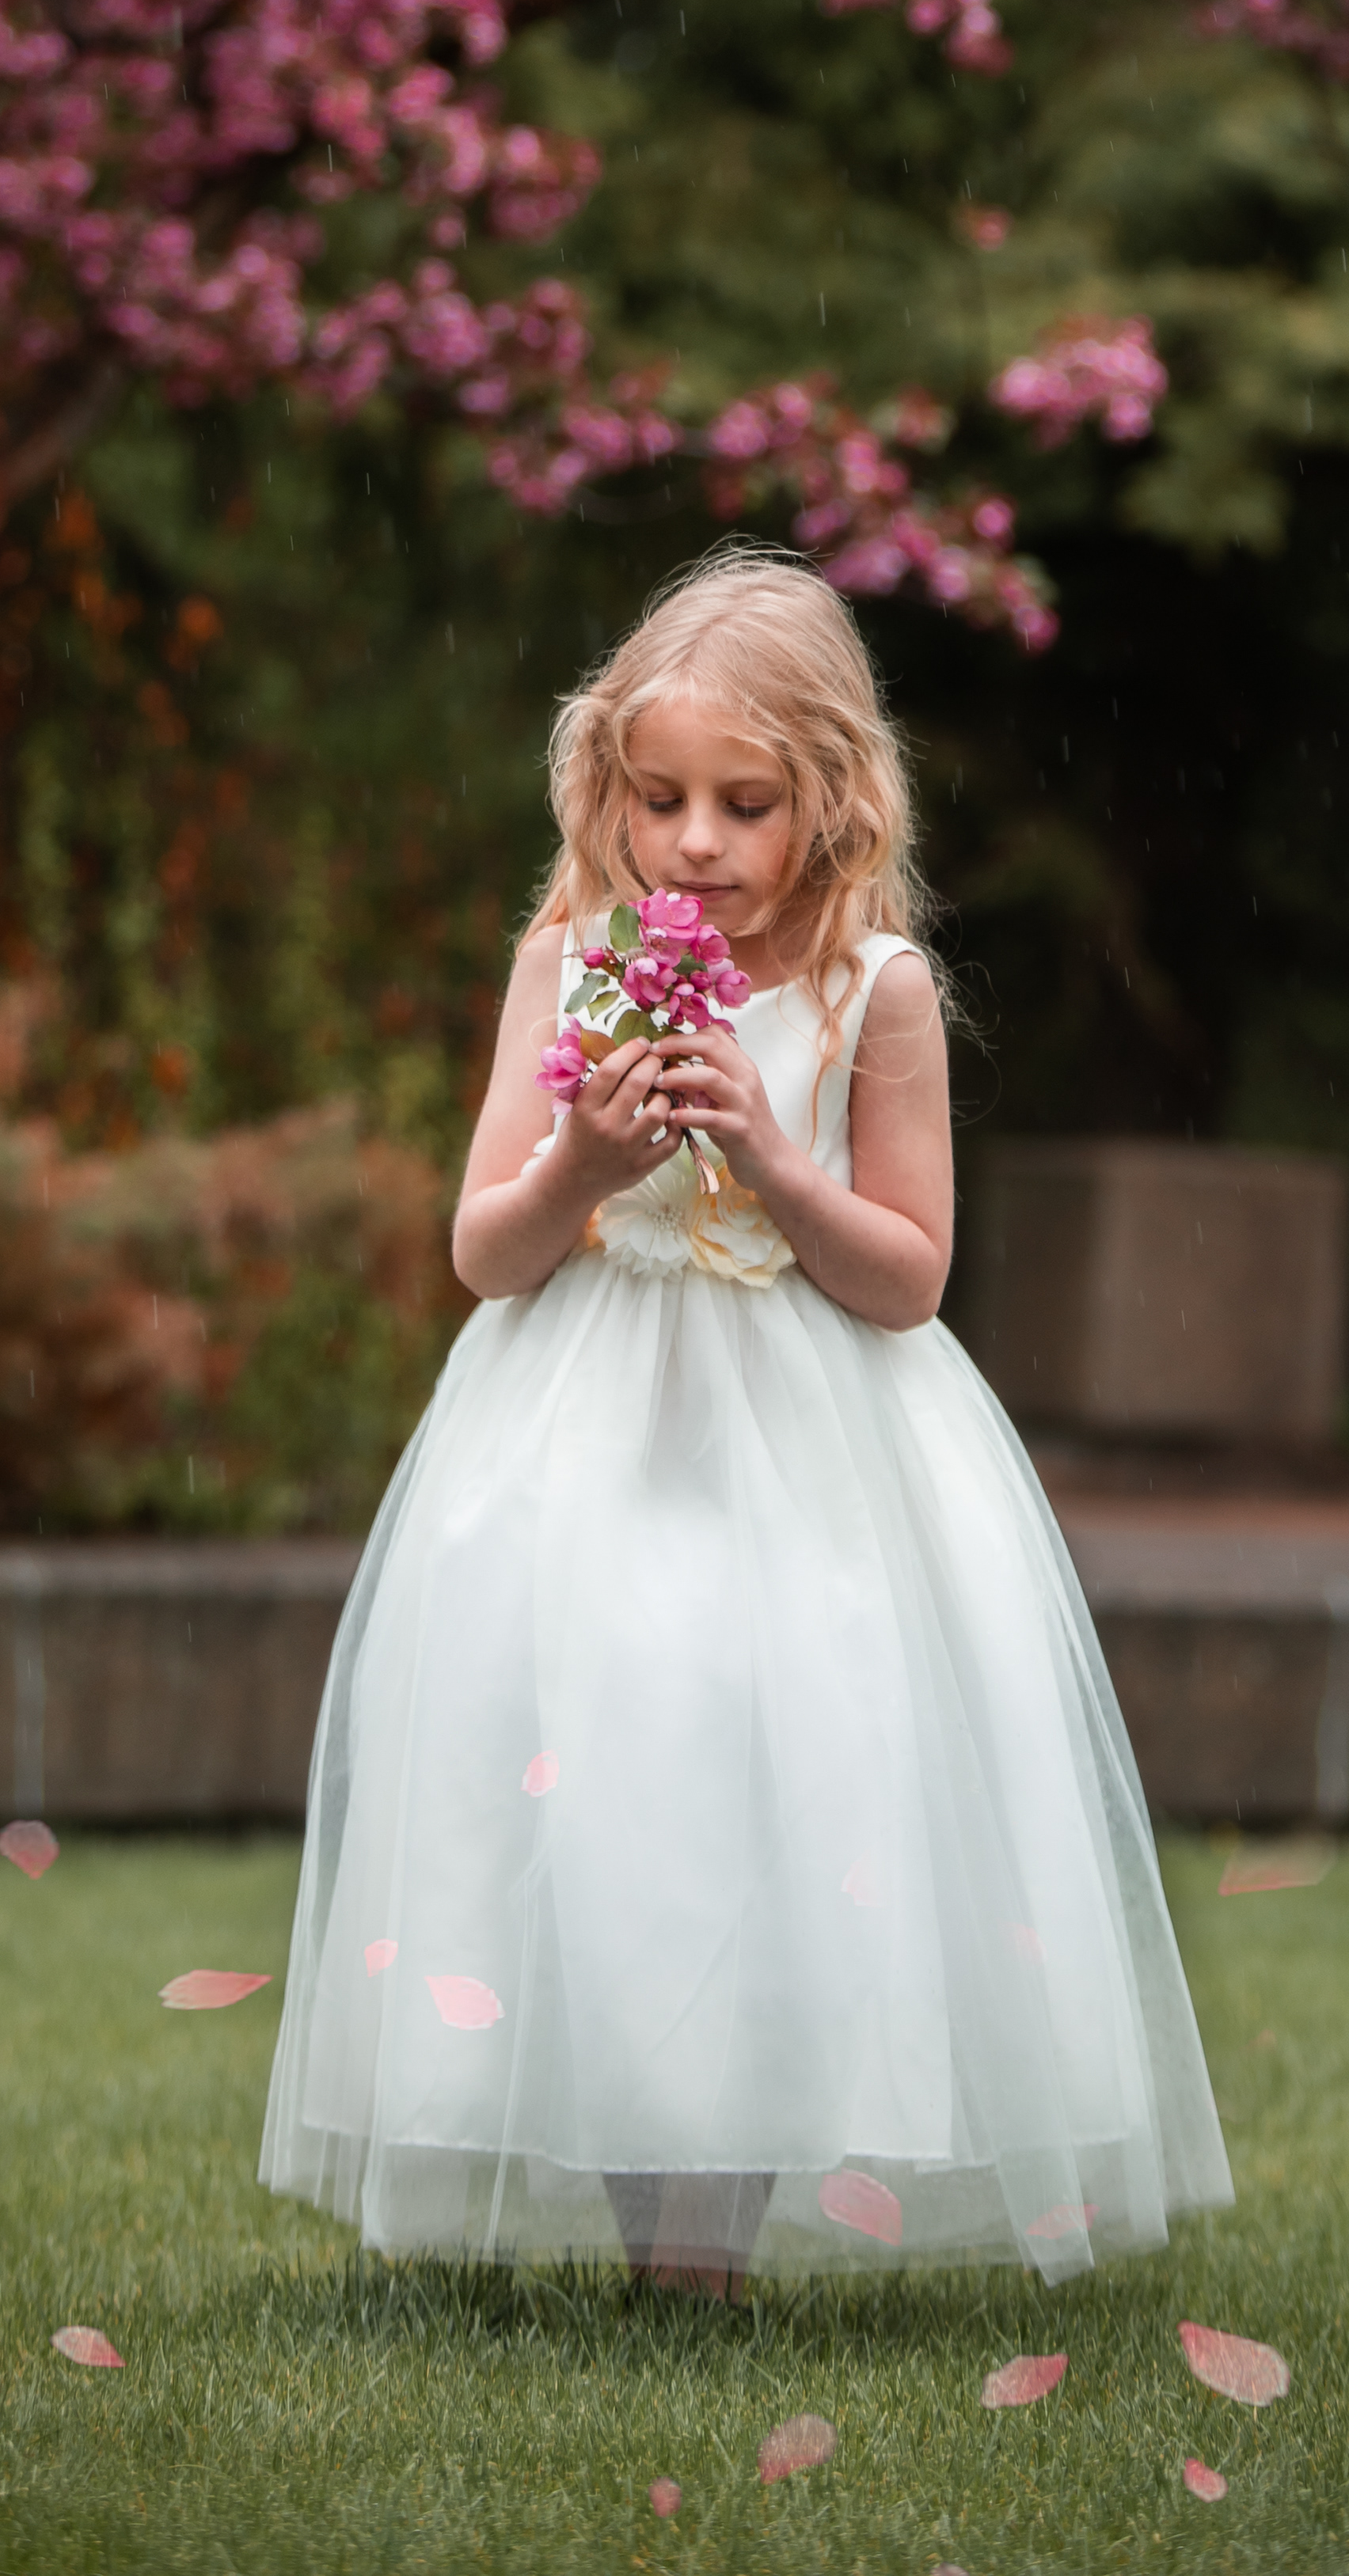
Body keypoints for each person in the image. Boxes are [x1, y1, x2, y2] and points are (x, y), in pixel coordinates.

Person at [258, 541, 1231, 2293]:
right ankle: (653, 2230)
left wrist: (770, 1157)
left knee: (773, 1801)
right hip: (580, 1446)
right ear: (607, 793)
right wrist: (590, 1157)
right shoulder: (571, 960)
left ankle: (709, 2240)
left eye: (745, 803)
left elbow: (910, 1274)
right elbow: (486, 1250)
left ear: (834, 807)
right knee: (608, 1796)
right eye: (659, 799)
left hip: (810, 1461)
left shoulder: (880, 995)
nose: (694, 843)